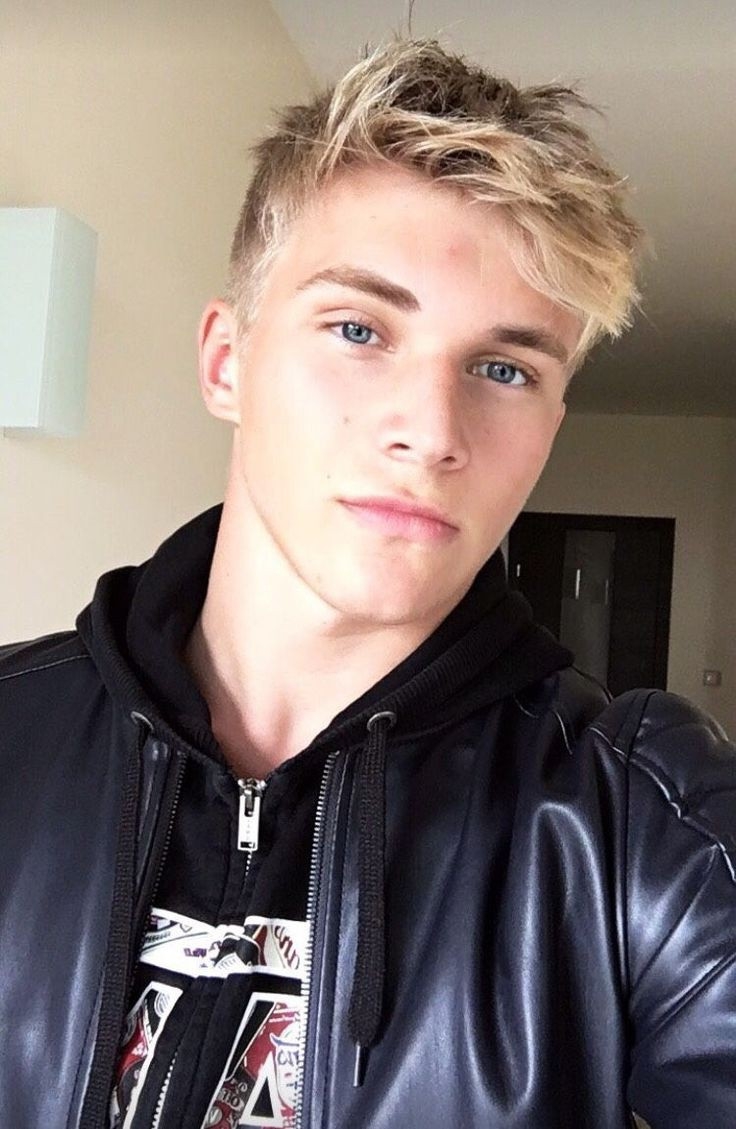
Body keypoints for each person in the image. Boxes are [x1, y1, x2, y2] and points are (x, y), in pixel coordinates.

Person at [0, 38, 734, 1129]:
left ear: (551, 422)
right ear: (226, 360)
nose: (431, 432)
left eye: (504, 368)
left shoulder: (636, 819)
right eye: (358, 329)